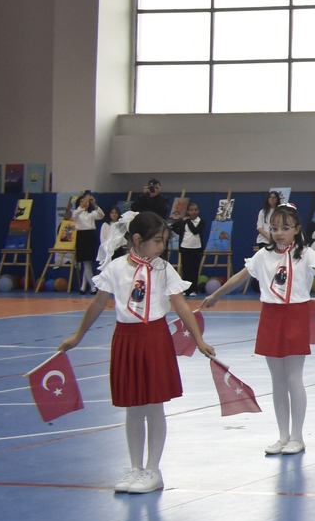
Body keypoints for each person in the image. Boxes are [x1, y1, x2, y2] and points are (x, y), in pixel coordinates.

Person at [55, 211, 217, 493]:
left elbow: (180, 305)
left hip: (154, 338)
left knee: (154, 405)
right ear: (138, 239)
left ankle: (153, 470)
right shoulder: (116, 268)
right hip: (126, 340)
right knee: (132, 406)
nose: (162, 247)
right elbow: (97, 304)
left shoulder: (164, 269)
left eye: (164, 241)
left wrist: (199, 339)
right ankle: (135, 467)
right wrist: (78, 336)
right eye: (158, 241)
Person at [200, 203, 315, 456]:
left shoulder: (307, 254)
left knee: (293, 377)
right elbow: (239, 278)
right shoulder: (263, 255)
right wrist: (216, 295)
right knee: (277, 380)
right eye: (275, 228)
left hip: (296, 315)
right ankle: (282, 436)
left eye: (285, 228)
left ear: (296, 229)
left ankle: (297, 437)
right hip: (270, 317)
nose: (279, 233)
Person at [68, 191, 103, 293]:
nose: (85, 203)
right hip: (82, 236)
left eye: (86, 202)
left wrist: (94, 203)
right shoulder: (77, 214)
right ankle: (93, 287)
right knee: (86, 262)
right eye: (82, 201)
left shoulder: (91, 214)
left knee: (88, 262)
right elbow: (75, 214)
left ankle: (83, 287)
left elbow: (101, 215)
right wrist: (84, 202)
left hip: (91, 236)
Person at [168, 199, 206, 288]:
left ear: (198, 211)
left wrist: (188, 221)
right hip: (185, 247)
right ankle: (186, 289)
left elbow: (195, 231)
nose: (194, 212)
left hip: (197, 248)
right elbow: (172, 227)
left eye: (195, 210)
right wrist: (181, 232)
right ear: (188, 212)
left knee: (195, 269)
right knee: (186, 269)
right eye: (191, 210)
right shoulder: (183, 222)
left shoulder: (201, 221)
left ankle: (193, 289)